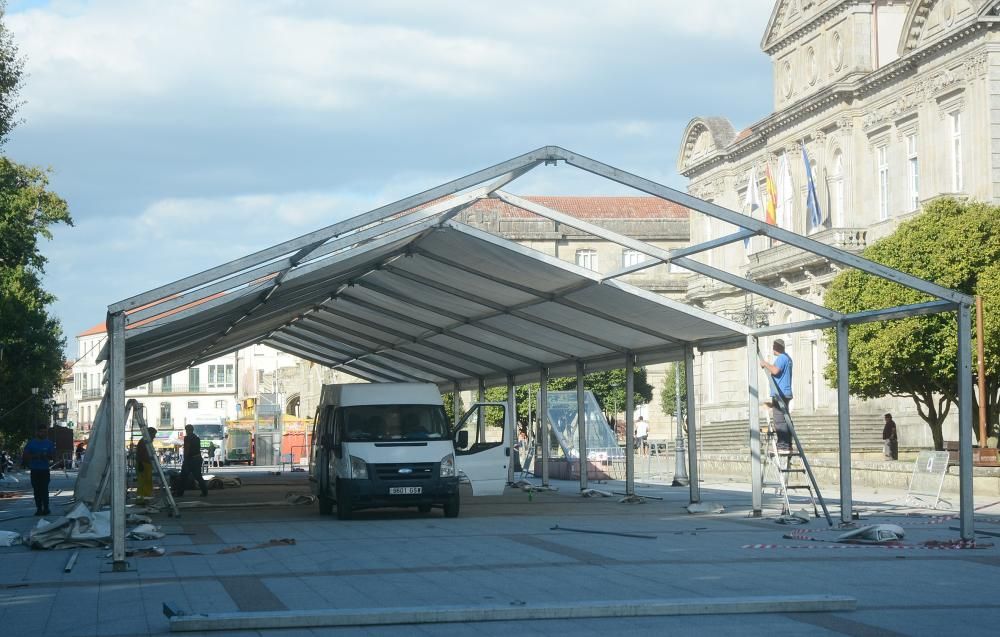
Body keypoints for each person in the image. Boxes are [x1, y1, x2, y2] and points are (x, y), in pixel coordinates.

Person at [760, 338, 794, 453]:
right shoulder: (788, 358)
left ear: (776, 347)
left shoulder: (781, 358)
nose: (772, 348)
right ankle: (788, 444)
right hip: (785, 392)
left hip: (780, 393)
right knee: (785, 419)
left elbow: (775, 371)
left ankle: (783, 445)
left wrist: (765, 364)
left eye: (773, 346)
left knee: (779, 420)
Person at [22, 426, 55, 515]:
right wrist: (35, 456)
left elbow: (53, 456)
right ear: (37, 432)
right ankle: (39, 508)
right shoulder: (31, 443)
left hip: (44, 470)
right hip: (35, 470)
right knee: (36, 490)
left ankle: (46, 508)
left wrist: (46, 456)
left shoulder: (49, 443)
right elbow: (25, 456)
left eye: (45, 432)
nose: (43, 433)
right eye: (41, 432)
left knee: (44, 489)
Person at [176, 424, 208, 497]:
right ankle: (204, 491)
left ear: (187, 430)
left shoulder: (187, 438)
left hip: (190, 459)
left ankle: (179, 493)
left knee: (183, 476)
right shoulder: (197, 438)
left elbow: (187, 449)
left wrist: (185, 460)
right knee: (198, 476)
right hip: (198, 458)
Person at [135, 427, 157, 503]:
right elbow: (140, 454)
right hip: (143, 464)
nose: (154, 436)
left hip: (147, 464)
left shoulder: (147, 442)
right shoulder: (143, 442)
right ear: (149, 434)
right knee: (143, 483)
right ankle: (140, 499)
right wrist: (140, 463)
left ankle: (146, 499)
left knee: (147, 482)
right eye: (154, 434)